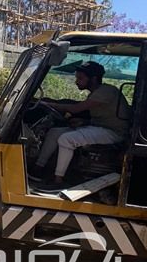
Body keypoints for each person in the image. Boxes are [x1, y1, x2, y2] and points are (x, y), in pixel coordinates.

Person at [29, 61, 131, 190]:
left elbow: (76, 109)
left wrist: (49, 104)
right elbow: (104, 118)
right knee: (54, 132)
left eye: (80, 78)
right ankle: (38, 168)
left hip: (114, 133)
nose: (77, 82)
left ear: (93, 79)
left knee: (67, 139)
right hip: (102, 128)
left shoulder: (106, 91)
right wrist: (85, 123)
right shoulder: (97, 92)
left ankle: (58, 180)